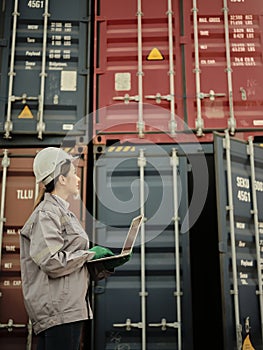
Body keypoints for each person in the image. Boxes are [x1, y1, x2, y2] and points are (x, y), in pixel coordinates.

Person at [19, 147, 128, 350]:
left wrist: (103, 263)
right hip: (59, 311)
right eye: (74, 173)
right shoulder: (46, 214)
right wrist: (89, 254)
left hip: (66, 309)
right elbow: (52, 262)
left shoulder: (62, 213)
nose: (77, 178)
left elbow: (72, 264)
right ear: (61, 179)